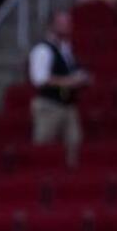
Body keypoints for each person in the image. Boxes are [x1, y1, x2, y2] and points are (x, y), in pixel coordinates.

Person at [29, 9, 89, 168]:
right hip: (50, 106)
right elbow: (40, 79)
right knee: (43, 147)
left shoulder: (65, 48)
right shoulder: (42, 49)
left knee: (74, 146)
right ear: (52, 25)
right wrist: (70, 81)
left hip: (68, 105)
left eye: (69, 22)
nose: (68, 25)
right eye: (64, 22)